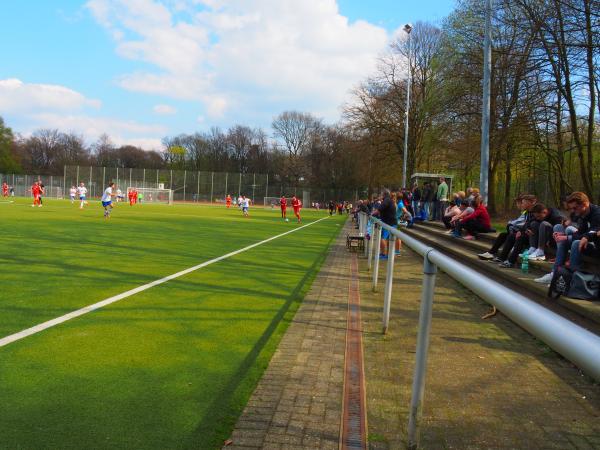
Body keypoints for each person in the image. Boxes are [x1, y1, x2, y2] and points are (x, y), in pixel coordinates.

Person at [535, 192, 600, 284]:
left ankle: (572, 279)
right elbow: (580, 233)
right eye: (571, 208)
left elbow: (594, 231)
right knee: (565, 240)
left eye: (575, 208)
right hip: (587, 242)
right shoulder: (583, 214)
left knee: (575, 243)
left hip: (596, 246)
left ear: (584, 204)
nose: (573, 211)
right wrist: (564, 237)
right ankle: (555, 273)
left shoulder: (597, 213)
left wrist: (569, 237)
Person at [372, 189, 397, 259]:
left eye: (381, 194)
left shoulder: (386, 200)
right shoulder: (389, 200)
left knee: (383, 238)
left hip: (388, 223)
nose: (380, 196)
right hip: (392, 222)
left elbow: (379, 209)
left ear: (384, 194)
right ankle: (389, 254)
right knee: (390, 239)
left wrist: (372, 214)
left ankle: (383, 254)